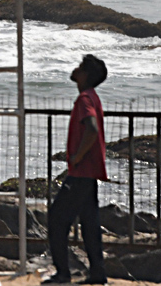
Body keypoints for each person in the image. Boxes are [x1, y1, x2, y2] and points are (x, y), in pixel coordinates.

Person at [45, 54, 109, 285]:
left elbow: (91, 129)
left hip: (81, 172)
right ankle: (97, 273)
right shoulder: (92, 96)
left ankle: (63, 274)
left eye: (80, 67)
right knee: (89, 224)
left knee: (56, 219)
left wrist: (77, 156)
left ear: (85, 75)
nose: (75, 69)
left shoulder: (84, 99)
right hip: (89, 173)